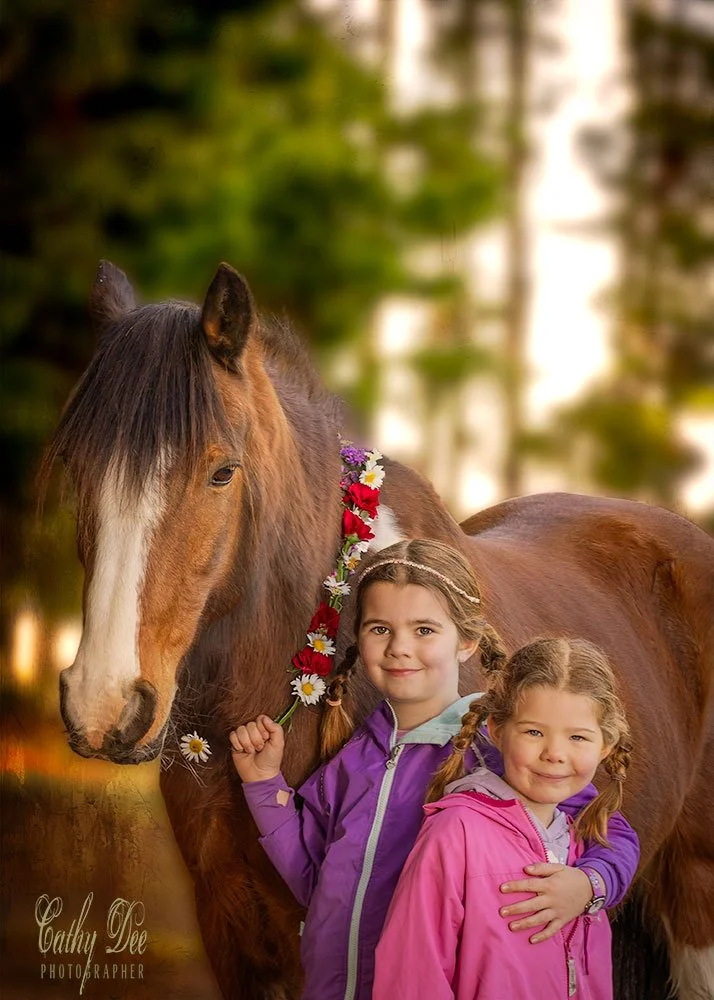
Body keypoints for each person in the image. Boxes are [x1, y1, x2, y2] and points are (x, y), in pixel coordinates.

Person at [229, 540, 639, 1000]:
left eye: (424, 629)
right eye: (380, 628)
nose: (400, 648)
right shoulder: (353, 757)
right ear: (358, 638)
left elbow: (610, 832)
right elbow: (314, 880)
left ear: (467, 641)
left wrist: (589, 884)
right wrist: (264, 784)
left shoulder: (499, 751)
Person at [372, 636, 633, 1000]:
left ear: (605, 746)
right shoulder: (456, 832)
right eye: (534, 732)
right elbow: (412, 976)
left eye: (578, 737)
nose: (555, 753)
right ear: (496, 730)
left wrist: (590, 886)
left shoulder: (582, 842)